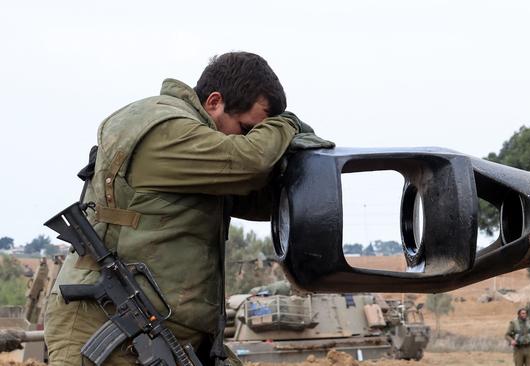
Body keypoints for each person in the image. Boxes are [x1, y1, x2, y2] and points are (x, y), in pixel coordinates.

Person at [43, 52, 333, 365]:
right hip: (104, 322)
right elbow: (249, 161)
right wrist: (286, 126)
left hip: (157, 330)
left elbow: (262, 200)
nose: (251, 138)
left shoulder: (198, 153)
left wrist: (295, 166)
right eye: (247, 128)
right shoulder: (163, 128)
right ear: (214, 102)